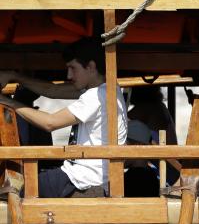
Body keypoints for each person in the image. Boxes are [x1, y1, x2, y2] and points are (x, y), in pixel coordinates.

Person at [0, 37, 128, 198]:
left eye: (72, 68)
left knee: (14, 191)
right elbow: (52, 91)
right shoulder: (107, 89)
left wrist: (6, 101)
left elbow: (50, 123)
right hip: (86, 173)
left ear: (91, 67)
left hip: (82, 177)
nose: (68, 75)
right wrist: (14, 76)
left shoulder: (97, 96)